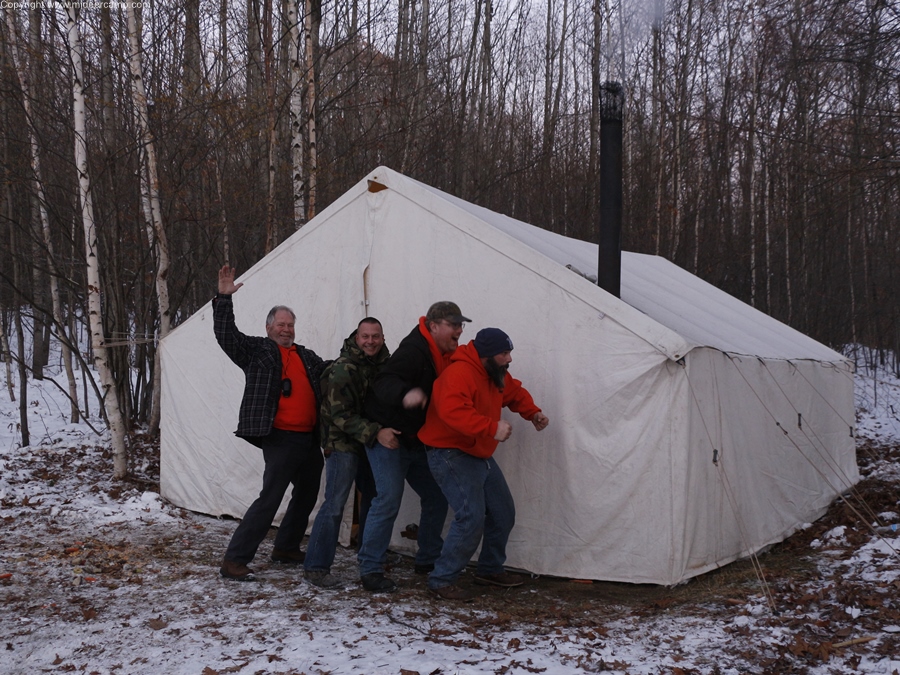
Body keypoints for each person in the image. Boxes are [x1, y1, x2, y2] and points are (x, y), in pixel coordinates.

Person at [213, 264, 329, 581]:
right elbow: (227, 337)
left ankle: (286, 548)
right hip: (279, 437)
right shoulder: (258, 351)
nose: (286, 330)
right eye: (281, 324)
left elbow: (331, 372)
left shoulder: (307, 356)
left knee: (307, 494)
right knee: (270, 498)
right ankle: (234, 560)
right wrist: (223, 299)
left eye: (290, 325)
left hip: (308, 439)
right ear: (269, 328)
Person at [419, 327, 550, 601]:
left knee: (503, 512)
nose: (509, 358)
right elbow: (452, 412)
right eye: (504, 353)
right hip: (449, 451)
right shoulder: (459, 374)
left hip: (477, 452)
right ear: (487, 355)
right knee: (470, 516)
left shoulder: (494, 372)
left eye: (509, 352)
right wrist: (491, 428)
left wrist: (532, 412)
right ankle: (441, 580)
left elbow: (513, 392)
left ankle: (489, 569)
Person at [357, 301, 471, 592]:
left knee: (436, 494)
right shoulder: (414, 350)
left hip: (415, 438)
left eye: (461, 324)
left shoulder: (447, 353)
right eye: (453, 324)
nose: (459, 330)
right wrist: (406, 393)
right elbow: (384, 382)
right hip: (389, 435)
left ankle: (428, 558)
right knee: (388, 499)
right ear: (433, 326)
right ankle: (370, 568)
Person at [303, 317, 396, 589]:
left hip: (367, 442)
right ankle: (316, 567)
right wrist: (375, 432)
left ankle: (367, 557)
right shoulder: (344, 369)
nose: (370, 342)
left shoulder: (383, 366)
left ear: (382, 337)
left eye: (375, 337)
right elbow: (339, 415)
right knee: (335, 504)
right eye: (365, 336)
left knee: (372, 498)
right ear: (357, 338)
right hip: (342, 442)